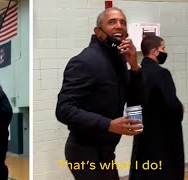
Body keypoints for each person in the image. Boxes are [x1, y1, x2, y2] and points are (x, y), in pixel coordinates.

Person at [55, 7, 144, 180]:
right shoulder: (85, 61)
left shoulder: (119, 61)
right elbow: (63, 109)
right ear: (98, 31)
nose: (119, 26)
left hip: (106, 151)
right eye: (112, 22)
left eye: (123, 22)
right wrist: (108, 124)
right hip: (84, 151)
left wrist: (134, 66)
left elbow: (134, 99)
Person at [129, 36, 184, 180]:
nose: (164, 52)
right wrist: (180, 109)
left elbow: (132, 104)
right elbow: (172, 104)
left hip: (143, 132)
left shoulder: (137, 73)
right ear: (154, 51)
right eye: (162, 49)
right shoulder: (161, 73)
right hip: (164, 134)